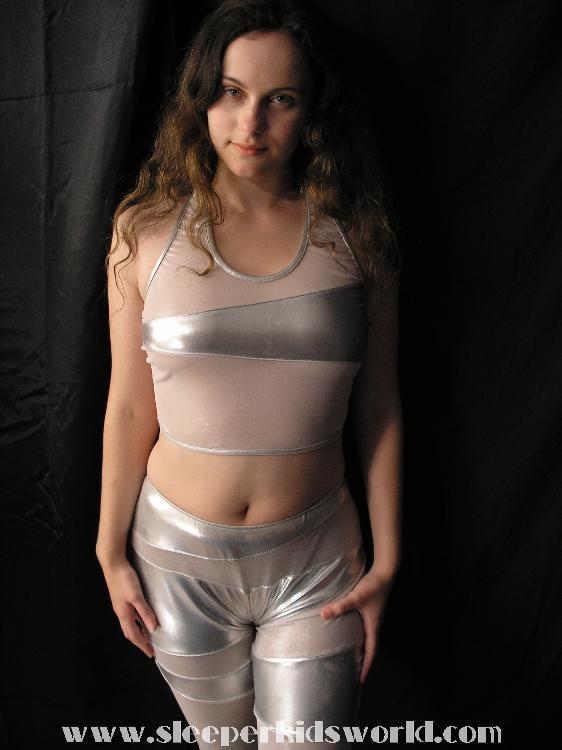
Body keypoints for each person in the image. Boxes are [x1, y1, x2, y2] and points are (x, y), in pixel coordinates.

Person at [96, 0, 403, 747]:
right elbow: (129, 408)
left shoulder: (358, 239)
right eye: (231, 92)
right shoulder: (144, 234)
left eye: (280, 99)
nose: (250, 123)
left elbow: (381, 407)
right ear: (202, 96)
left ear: (312, 111)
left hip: (318, 563)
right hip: (175, 563)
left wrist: (390, 558)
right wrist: (108, 551)